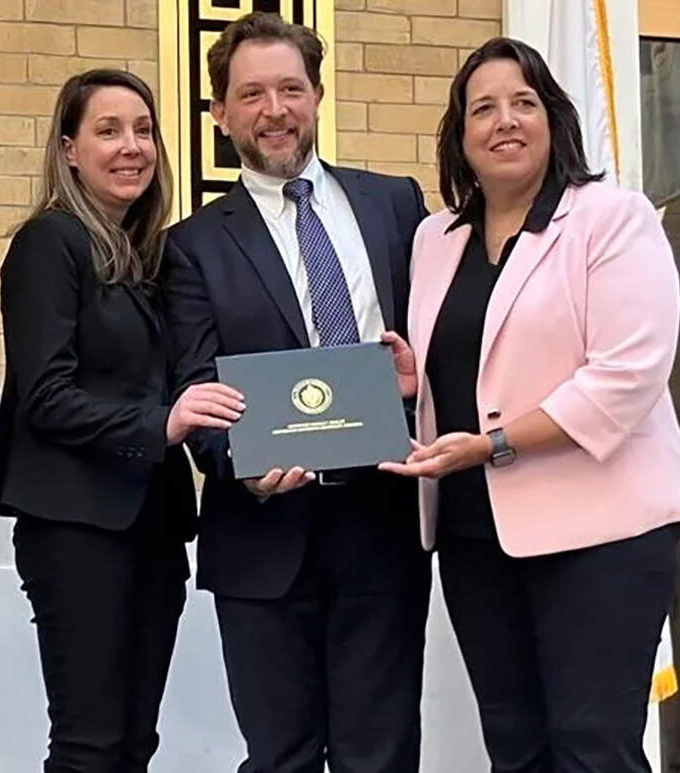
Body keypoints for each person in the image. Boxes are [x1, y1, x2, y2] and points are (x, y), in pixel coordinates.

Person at [378, 38, 680, 771]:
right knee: (515, 749)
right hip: (474, 535)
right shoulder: (436, 237)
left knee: (593, 748)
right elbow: (474, 360)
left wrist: (492, 444)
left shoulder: (612, 219)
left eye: (523, 103)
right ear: (460, 135)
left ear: (553, 117)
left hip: (603, 534)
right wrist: (413, 382)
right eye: (483, 108)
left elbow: (626, 376)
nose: (505, 121)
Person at [162, 13, 431, 772]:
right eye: (250, 94)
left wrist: (418, 396)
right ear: (219, 112)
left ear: (318, 94)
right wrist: (236, 460)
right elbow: (196, 381)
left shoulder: (395, 205)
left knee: (380, 755)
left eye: (289, 88)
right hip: (262, 532)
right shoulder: (192, 245)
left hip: (381, 520)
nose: (273, 110)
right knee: (278, 757)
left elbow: (433, 345)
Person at [0, 69, 244, 772]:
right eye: (107, 130)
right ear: (68, 150)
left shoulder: (147, 258)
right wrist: (161, 423)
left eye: (142, 129)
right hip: (76, 529)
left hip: (153, 530)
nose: (131, 147)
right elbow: (44, 394)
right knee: (89, 744)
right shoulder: (49, 243)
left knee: (133, 743)